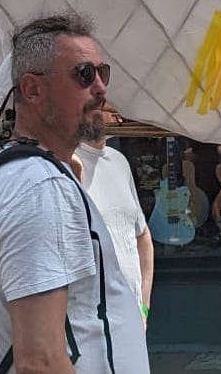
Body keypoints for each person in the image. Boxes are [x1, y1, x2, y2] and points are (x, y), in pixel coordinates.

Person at [0, 13, 148, 372]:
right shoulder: (37, 188)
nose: (101, 88)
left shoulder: (4, 168)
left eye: (101, 72)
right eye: (83, 74)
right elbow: (40, 361)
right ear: (32, 90)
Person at [72, 127, 153, 324]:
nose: (117, 113)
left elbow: (142, 235)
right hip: (91, 320)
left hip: (132, 318)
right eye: (105, 104)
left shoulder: (118, 160)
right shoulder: (69, 163)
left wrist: (144, 305)